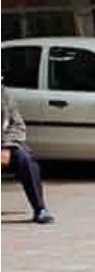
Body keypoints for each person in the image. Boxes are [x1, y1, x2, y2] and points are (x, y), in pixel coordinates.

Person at [2, 85, 54, 224]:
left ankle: (40, 209)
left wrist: (6, 146)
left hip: (4, 144)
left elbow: (17, 125)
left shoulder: (4, 94)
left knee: (25, 159)